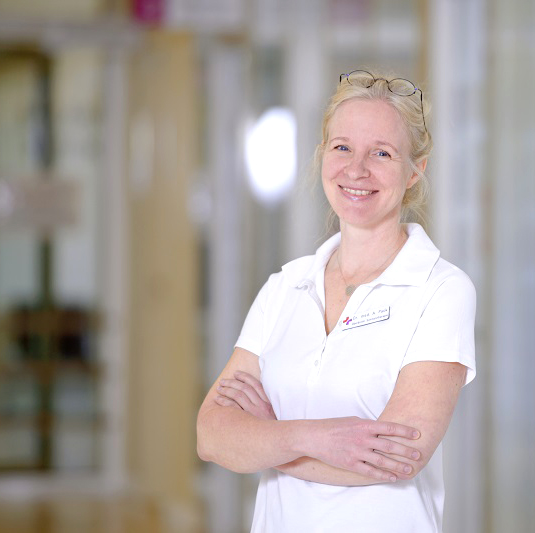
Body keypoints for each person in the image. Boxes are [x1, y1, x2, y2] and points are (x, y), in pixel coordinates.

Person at [196, 69, 476, 533]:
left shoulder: (441, 290)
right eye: (342, 147)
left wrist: (268, 440)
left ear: (415, 171)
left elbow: (399, 458)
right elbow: (211, 435)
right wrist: (317, 438)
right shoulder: (285, 287)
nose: (356, 169)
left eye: (381, 153)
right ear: (322, 155)